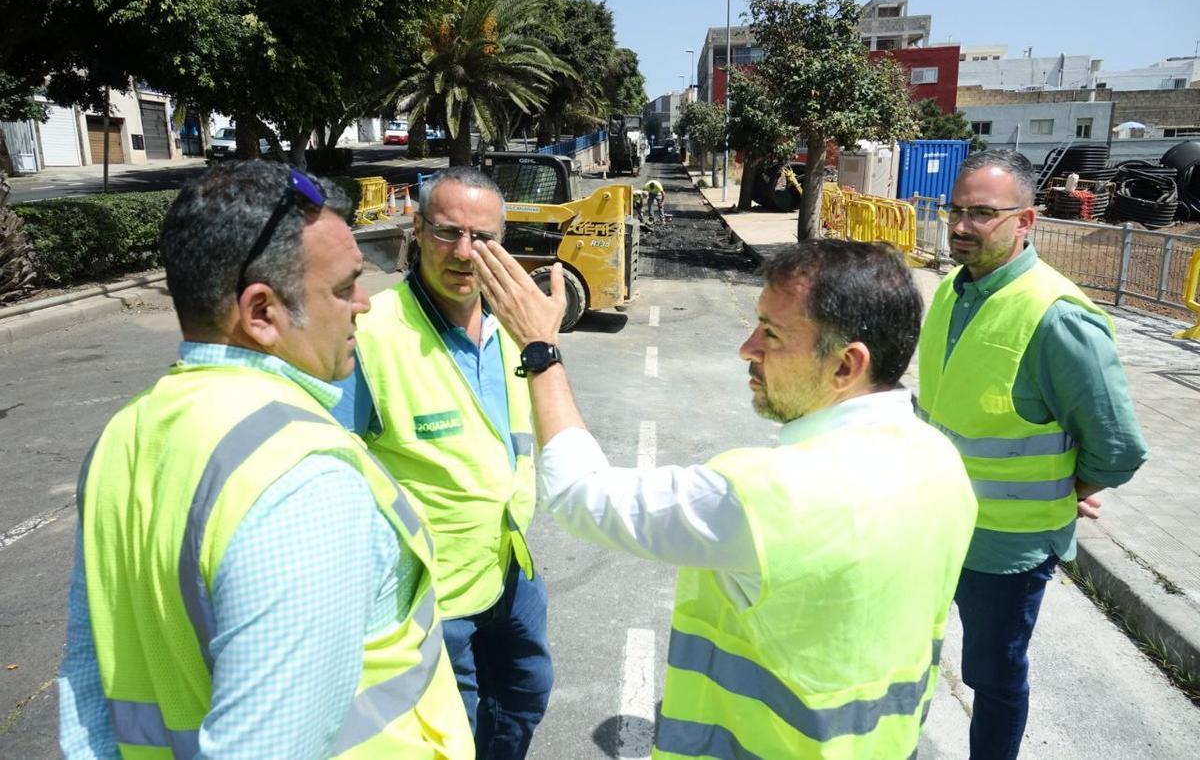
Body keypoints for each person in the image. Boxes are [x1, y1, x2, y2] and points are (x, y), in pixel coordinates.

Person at [470, 238, 979, 759]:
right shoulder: (942, 463)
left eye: (772, 334)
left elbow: (580, 493)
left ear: (846, 366)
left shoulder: (769, 495)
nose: (748, 348)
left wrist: (539, 350)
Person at [57, 161, 471, 760]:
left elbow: (86, 688)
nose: (364, 304)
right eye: (342, 287)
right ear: (261, 313)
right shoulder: (303, 478)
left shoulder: (123, 436)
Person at [917, 150, 1149, 760]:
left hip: (1007, 549)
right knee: (909, 655)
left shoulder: (1057, 317)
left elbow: (1119, 447)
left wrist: (1071, 487)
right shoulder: (950, 291)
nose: (962, 226)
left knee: (992, 679)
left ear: (1026, 221)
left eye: (984, 214)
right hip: (938, 529)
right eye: (956, 210)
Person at [334, 166, 551, 760]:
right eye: (447, 233)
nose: (464, 253)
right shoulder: (371, 333)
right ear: (418, 230)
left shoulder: (514, 323)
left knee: (524, 694)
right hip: (429, 593)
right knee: (447, 731)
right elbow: (329, 464)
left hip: (509, 562)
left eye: (482, 238)